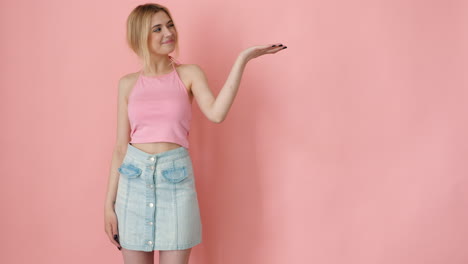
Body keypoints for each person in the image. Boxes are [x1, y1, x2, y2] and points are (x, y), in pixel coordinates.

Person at [103, 3, 287, 264]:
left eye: (170, 25)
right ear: (140, 36)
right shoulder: (127, 84)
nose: (168, 32)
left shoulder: (189, 74)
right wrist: (108, 206)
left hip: (175, 181)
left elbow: (216, 113)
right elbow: (121, 147)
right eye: (157, 28)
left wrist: (242, 59)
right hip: (132, 181)